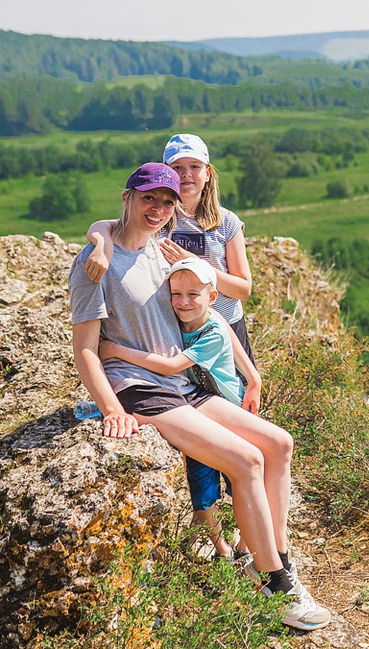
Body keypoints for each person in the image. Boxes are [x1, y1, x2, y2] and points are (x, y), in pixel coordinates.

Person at [69, 163, 330, 632]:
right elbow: (86, 350)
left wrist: (251, 373)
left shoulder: (162, 251)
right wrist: (112, 407)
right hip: (140, 387)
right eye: (149, 199)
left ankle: (276, 557)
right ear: (127, 197)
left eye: (167, 203)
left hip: (184, 384)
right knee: (247, 460)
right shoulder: (95, 264)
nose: (159, 210)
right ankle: (275, 584)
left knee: (279, 444)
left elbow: (210, 313)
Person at [84, 133, 256, 559]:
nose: (186, 175)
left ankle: (243, 525)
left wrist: (199, 268)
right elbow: (108, 226)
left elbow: (244, 288)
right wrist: (101, 244)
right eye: (178, 169)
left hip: (223, 332)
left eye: (193, 167)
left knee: (236, 427)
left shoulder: (225, 222)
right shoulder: (164, 217)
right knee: (204, 437)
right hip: (178, 338)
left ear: (207, 172)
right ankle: (208, 520)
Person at [99, 256, 257, 564]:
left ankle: (246, 546)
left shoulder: (210, 330)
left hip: (226, 408)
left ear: (211, 298)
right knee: (202, 484)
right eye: (176, 294)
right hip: (196, 405)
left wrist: (115, 350)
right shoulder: (179, 320)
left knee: (238, 480)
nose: (182, 302)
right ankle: (222, 549)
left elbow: (172, 366)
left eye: (192, 295)